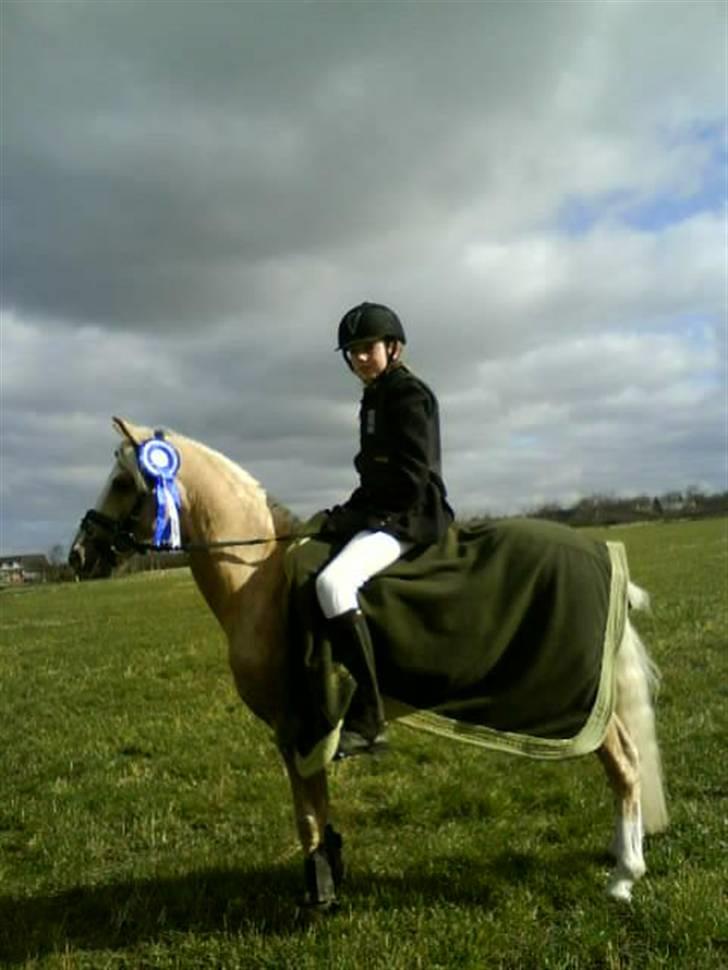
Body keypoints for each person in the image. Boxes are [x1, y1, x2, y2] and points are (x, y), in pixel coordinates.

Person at [316, 301, 454, 758]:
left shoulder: (408, 395)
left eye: (366, 348)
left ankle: (370, 718)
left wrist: (361, 518)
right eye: (351, 351)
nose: (358, 358)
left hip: (412, 516)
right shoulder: (374, 396)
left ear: (392, 348)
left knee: (334, 583)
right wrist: (344, 512)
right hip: (384, 510)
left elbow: (411, 479)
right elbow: (373, 477)